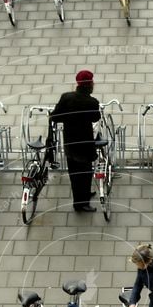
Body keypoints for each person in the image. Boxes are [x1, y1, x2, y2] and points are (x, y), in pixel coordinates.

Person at [50, 69, 101, 212]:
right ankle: (81, 203)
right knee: (85, 173)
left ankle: (83, 195)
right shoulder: (92, 102)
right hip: (85, 145)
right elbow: (96, 118)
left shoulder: (66, 97)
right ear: (90, 84)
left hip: (70, 143)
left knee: (74, 174)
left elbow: (55, 117)